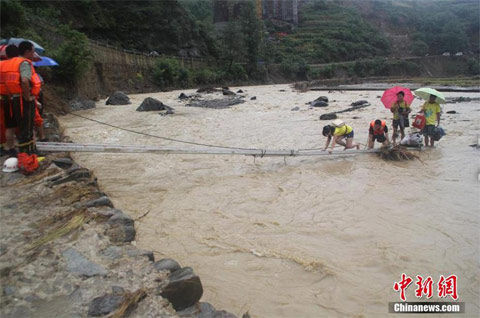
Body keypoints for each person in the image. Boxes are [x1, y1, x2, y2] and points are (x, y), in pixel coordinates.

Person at [0, 41, 42, 154]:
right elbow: (24, 80)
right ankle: (28, 154)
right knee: (26, 128)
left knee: (10, 126)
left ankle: (10, 150)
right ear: (27, 52)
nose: (34, 55)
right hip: (21, 100)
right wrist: (28, 97)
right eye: (33, 52)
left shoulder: (2, 64)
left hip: (6, 99)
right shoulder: (23, 63)